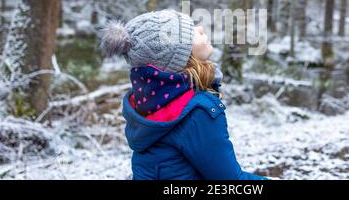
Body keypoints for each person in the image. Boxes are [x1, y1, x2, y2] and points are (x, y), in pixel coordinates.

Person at [99, 9, 267, 180]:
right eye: (191, 30)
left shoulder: (150, 102)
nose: (200, 28)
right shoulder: (197, 111)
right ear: (178, 56)